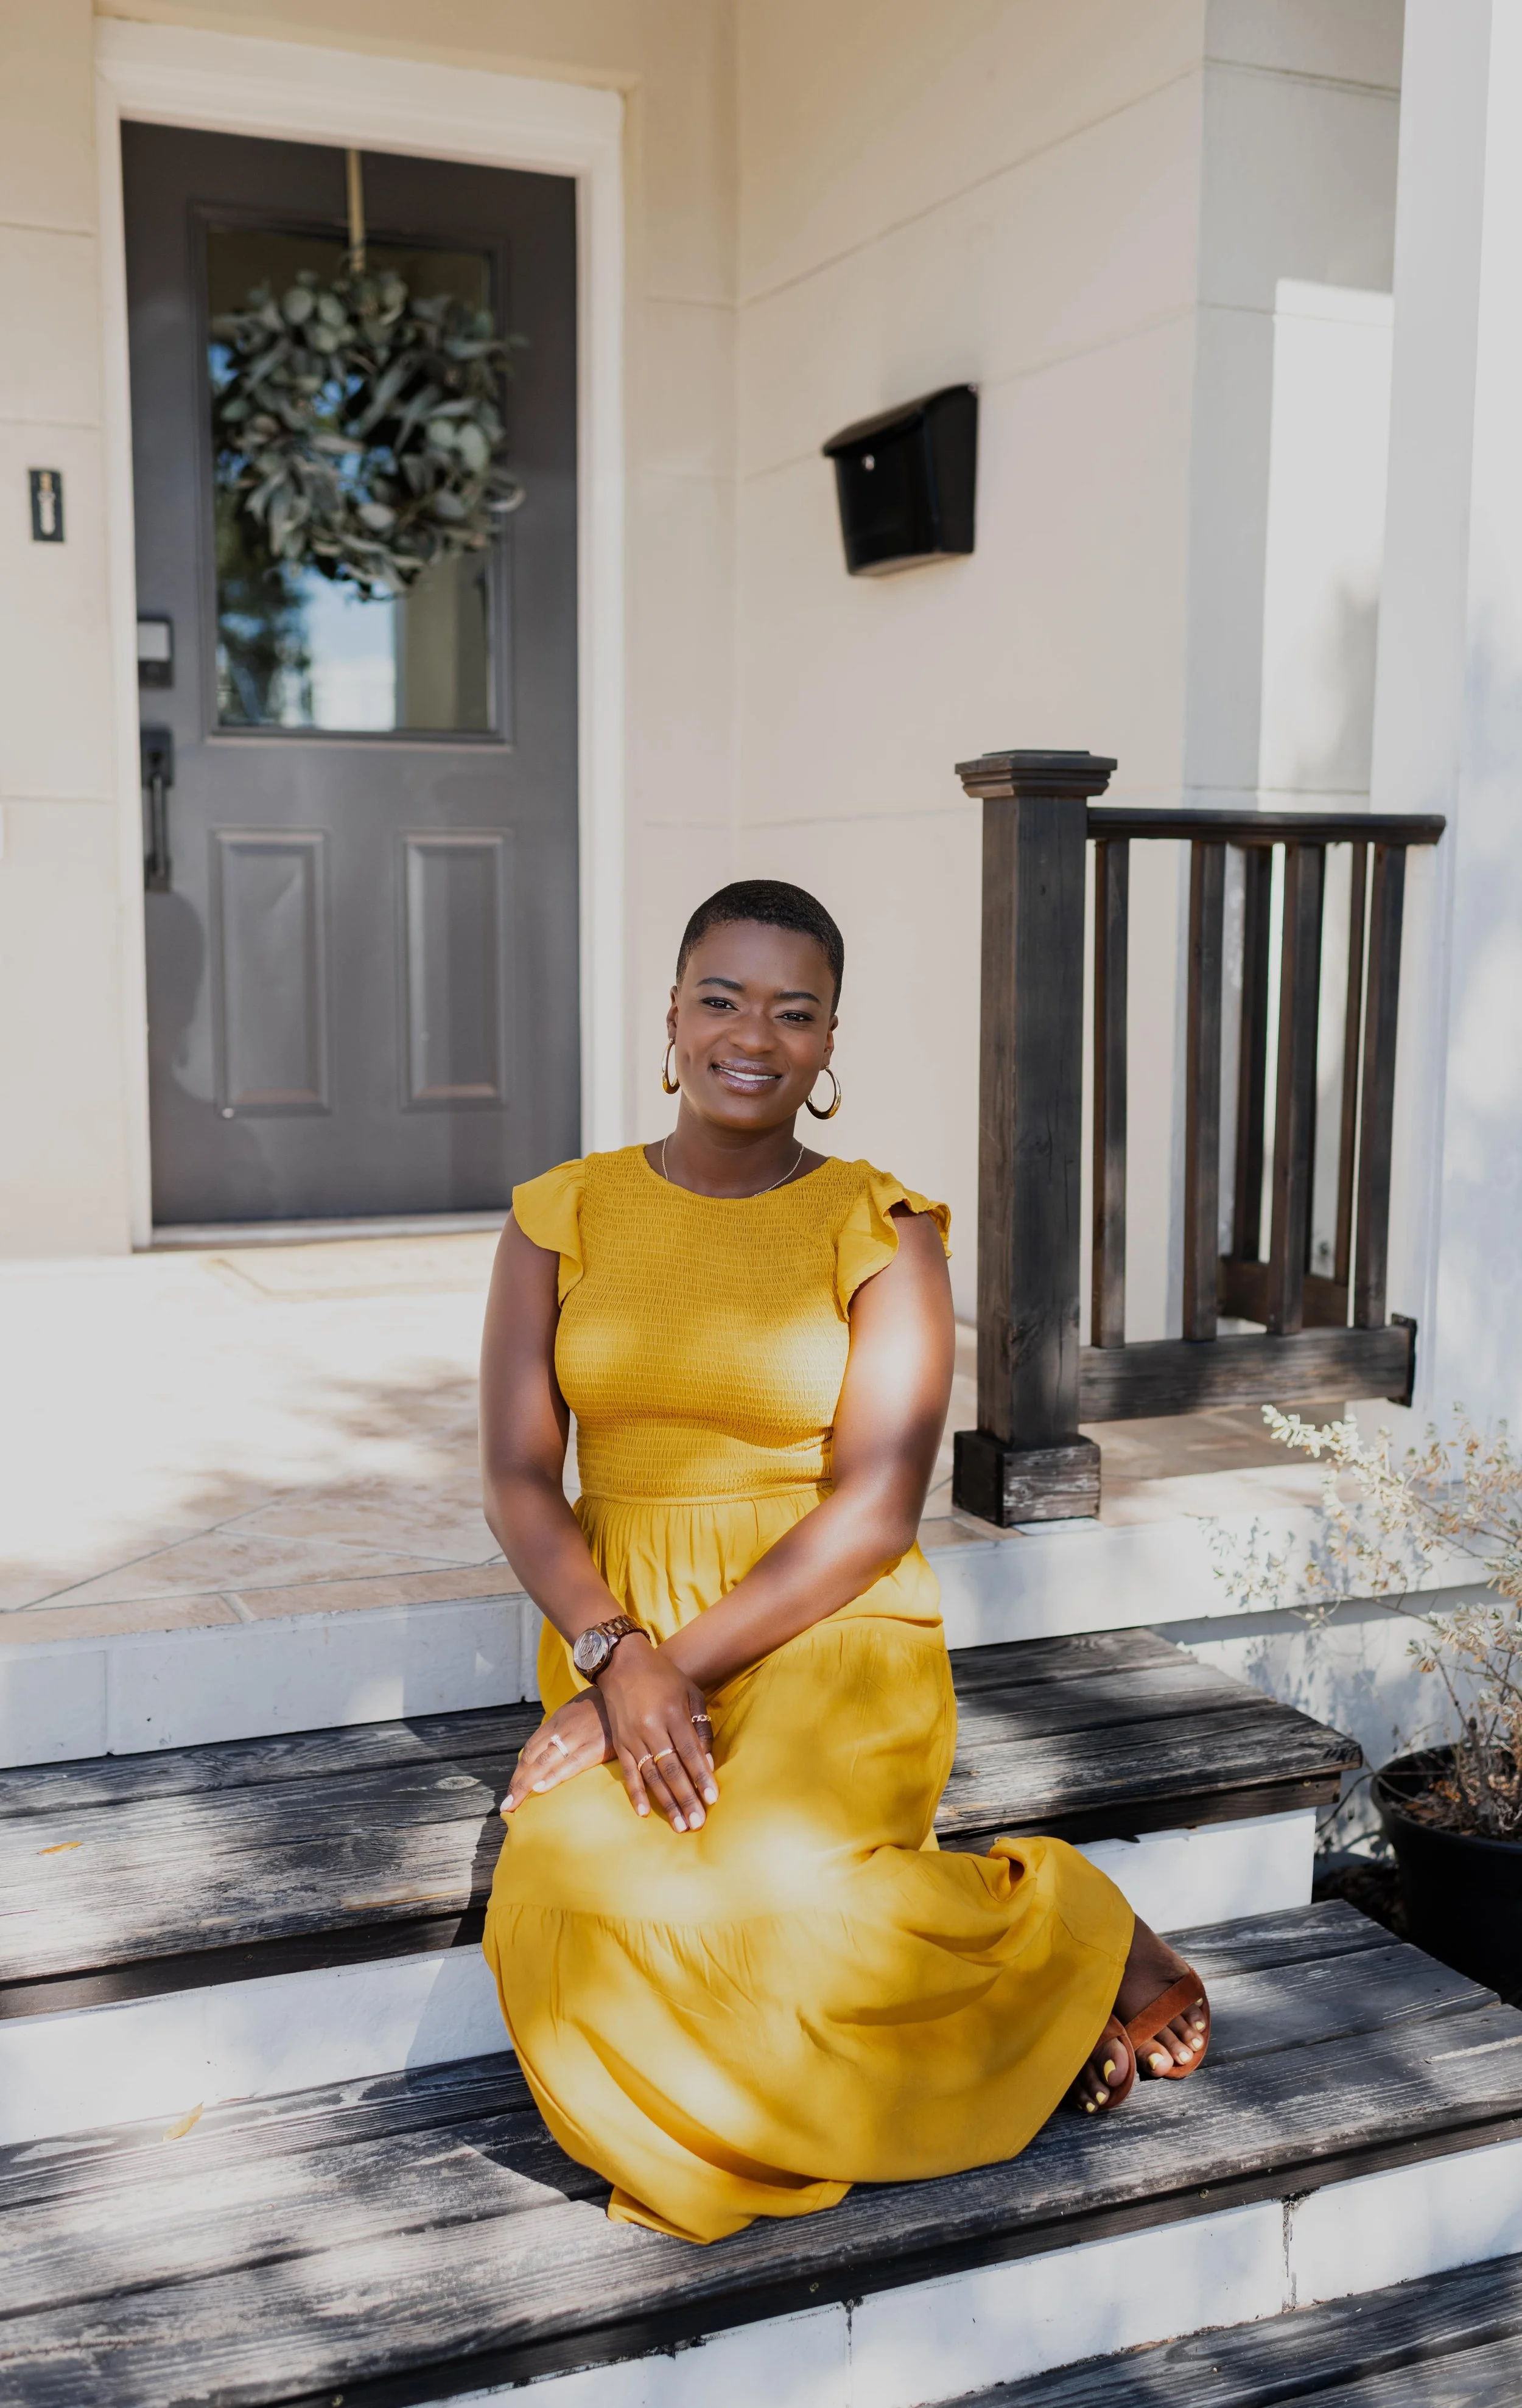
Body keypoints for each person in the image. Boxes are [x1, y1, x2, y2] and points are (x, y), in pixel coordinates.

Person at [479, 879, 1208, 2246]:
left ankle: (1063, 1917)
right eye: (721, 996)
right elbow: (522, 1476)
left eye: (791, 1009)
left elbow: (875, 1508)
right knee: (563, 1902)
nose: (750, 1034)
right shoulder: (556, 1216)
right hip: (619, 1617)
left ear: (826, 1045)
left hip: (823, 1622)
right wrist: (610, 1651)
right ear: (671, 1012)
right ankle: (1037, 1991)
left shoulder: (885, 1229)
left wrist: (654, 1674)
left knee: (774, 1906)